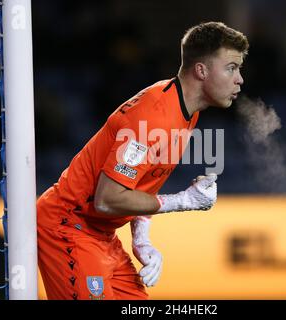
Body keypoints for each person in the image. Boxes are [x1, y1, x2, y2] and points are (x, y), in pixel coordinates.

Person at [37, 21, 248, 300]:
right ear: (201, 70)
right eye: (231, 68)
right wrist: (183, 201)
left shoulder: (186, 110)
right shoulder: (154, 116)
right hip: (68, 225)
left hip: (102, 235)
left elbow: (140, 186)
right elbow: (107, 199)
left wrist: (141, 239)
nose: (240, 79)